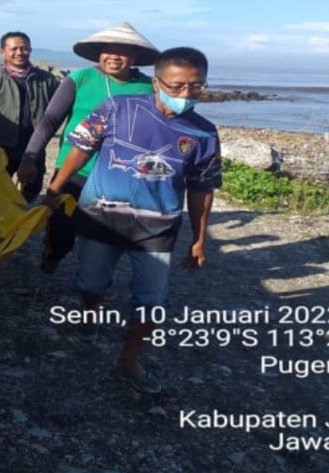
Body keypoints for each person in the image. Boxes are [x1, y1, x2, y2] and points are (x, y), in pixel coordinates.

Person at [43, 47, 222, 394]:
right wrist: (55, 187)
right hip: (101, 216)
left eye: (196, 87)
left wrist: (200, 238)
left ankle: (129, 358)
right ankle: (90, 316)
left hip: (157, 226)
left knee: (152, 300)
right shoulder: (116, 109)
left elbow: (202, 189)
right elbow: (81, 148)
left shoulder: (204, 133)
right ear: (156, 82)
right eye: (177, 85)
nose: (186, 94)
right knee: (91, 282)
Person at [18, 22, 159, 274]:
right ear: (98, 53)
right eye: (108, 49)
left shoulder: (148, 87)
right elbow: (49, 121)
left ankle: (93, 283)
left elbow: (156, 130)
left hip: (119, 172)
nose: (114, 56)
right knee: (62, 225)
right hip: (73, 168)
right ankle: (54, 254)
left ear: (135, 56)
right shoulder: (80, 79)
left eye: (122, 51)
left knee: (102, 231)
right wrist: (30, 156)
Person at [0, 31, 61, 202]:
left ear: (30, 50)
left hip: (34, 146)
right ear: (2, 52)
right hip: (1, 144)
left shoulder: (46, 79)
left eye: (24, 48)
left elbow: (59, 109)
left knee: (32, 188)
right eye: (14, 49)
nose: (19, 53)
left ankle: (19, 218)